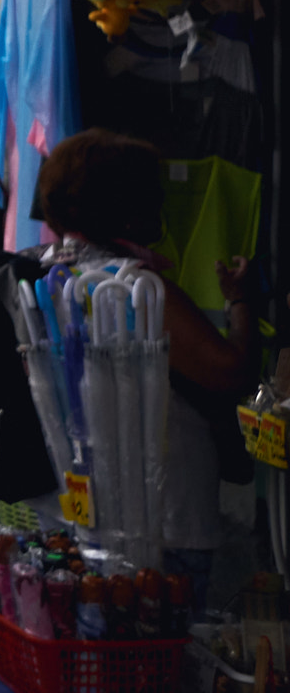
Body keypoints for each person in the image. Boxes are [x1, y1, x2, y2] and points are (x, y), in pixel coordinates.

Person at [32, 129, 257, 608]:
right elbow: (230, 371)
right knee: (162, 661)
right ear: (128, 204)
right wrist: (241, 300)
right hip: (165, 521)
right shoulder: (138, 290)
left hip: (74, 513)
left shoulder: (43, 276)